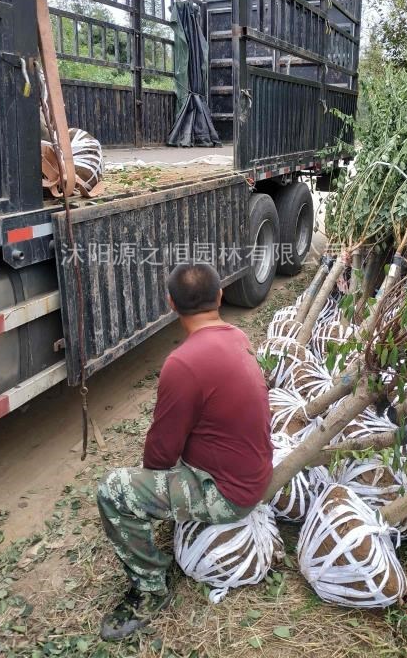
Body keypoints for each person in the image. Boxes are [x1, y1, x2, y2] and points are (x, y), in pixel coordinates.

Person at [97, 262, 272, 640]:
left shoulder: (182, 363)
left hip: (231, 494)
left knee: (113, 490)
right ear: (221, 296)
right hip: (253, 473)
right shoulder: (238, 336)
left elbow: (159, 457)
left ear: (170, 304)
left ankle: (149, 590)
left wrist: (151, 486)